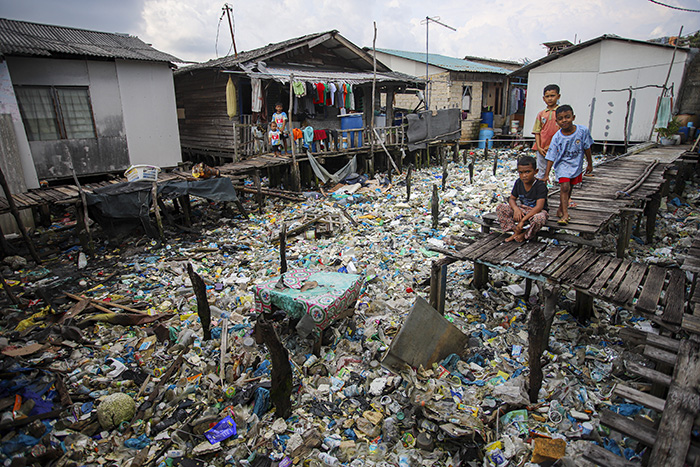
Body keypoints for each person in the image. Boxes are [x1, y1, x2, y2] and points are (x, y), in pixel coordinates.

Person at [542, 105, 594, 225]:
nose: (564, 120)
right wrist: (546, 174)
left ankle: (561, 208)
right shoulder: (557, 137)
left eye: (567, 117)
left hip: (576, 164)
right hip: (562, 165)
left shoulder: (582, 131)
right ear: (557, 122)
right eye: (560, 118)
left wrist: (590, 164)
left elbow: (587, 148)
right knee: (564, 187)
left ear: (573, 117)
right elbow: (551, 155)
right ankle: (565, 215)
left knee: (570, 187)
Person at [496, 155, 549, 242]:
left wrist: (523, 220)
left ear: (536, 171)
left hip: (537, 212)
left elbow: (539, 207)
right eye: (521, 172)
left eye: (528, 172)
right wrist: (516, 209)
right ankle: (515, 231)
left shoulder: (540, 185)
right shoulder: (518, 182)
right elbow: (512, 199)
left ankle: (525, 235)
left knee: (539, 219)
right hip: (523, 209)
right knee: (500, 207)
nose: (524, 175)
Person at [533, 84, 561, 180]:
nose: (550, 99)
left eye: (552, 96)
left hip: (557, 147)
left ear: (558, 96)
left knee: (558, 170)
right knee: (542, 171)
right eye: (547, 96)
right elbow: (537, 132)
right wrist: (539, 147)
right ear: (543, 98)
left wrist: (552, 145)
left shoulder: (561, 113)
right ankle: (542, 192)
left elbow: (562, 131)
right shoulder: (541, 114)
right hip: (542, 147)